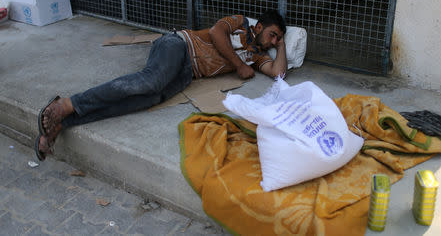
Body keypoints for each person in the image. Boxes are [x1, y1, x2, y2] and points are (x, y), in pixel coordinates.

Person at [35, 10, 287, 160]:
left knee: (146, 99)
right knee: (151, 81)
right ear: (259, 26)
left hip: (187, 74)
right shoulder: (240, 22)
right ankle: (67, 103)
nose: (272, 40)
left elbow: (278, 73)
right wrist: (239, 65)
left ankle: (63, 121)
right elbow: (215, 33)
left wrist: (282, 45)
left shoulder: (258, 56)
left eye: (277, 38)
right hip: (178, 45)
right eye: (272, 34)